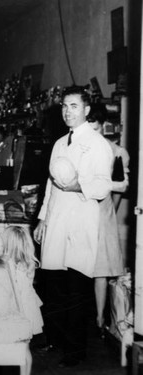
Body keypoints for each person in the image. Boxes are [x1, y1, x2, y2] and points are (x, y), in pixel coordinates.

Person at [33, 86, 113, 367]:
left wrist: (79, 184)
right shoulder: (58, 144)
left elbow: (104, 185)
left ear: (87, 109)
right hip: (56, 220)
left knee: (76, 289)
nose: (68, 111)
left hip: (80, 221)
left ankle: (75, 351)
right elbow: (50, 185)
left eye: (74, 106)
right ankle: (55, 339)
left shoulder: (98, 144)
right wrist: (43, 217)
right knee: (54, 285)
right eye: (65, 106)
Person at [87, 103, 129, 336]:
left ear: (103, 126)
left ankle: (100, 318)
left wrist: (107, 213)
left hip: (103, 215)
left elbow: (120, 189)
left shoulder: (116, 152)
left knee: (101, 270)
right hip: (81, 215)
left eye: (95, 129)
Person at [2, 225, 43, 375]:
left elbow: (14, 291)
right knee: (25, 350)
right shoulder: (28, 264)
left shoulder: (10, 265)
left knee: (16, 350)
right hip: (30, 310)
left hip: (19, 311)